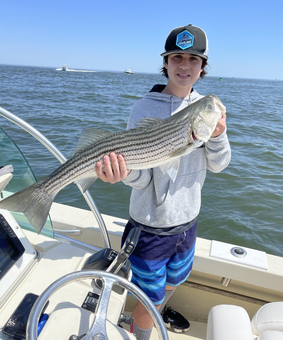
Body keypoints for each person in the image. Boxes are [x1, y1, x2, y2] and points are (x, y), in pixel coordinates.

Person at [96, 24, 231, 340]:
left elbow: (220, 165)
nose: (185, 65)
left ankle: (151, 315)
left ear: (203, 66)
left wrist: (219, 134)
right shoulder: (143, 108)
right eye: (177, 57)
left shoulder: (205, 110)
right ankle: (142, 330)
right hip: (150, 227)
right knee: (149, 298)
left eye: (193, 59)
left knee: (174, 282)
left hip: (187, 224)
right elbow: (142, 178)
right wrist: (123, 172)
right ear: (166, 63)